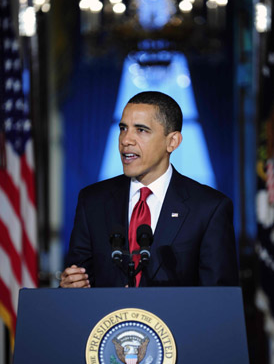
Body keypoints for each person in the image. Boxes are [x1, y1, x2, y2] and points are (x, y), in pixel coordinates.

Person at [60, 91, 238, 288]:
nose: (126, 140)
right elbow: (76, 286)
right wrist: (70, 286)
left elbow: (219, 300)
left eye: (141, 130)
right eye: (123, 128)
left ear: (172, 142)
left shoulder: (209, 208)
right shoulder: (92, 201)